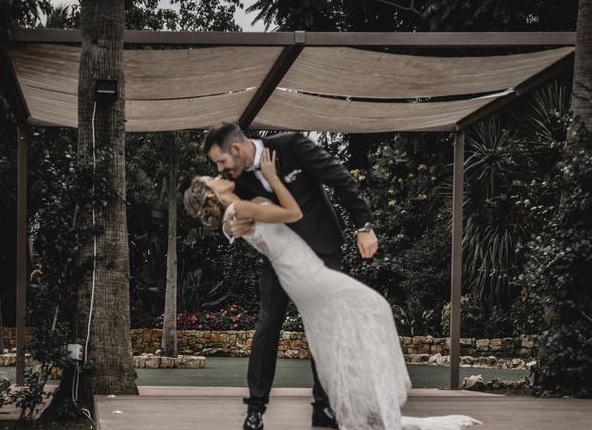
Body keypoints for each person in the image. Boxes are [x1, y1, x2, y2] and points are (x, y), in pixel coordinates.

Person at [184, 149, 481, 430]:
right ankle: (263, 407)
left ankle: (329, 404)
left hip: (303, 262)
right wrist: (273, 177)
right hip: (296, 269)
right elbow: (289, 212)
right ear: (210, 192)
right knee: (295, 321)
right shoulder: (238, 209)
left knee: (328, 327)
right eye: (212, 177)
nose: (219, 173)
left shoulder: (234, 206)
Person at [202, 123, 378, 430]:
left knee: (325, 328)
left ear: (236, 149)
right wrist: (230, 228)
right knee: (268, 323)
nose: (221, 169)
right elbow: (228, 211)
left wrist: (364, 227)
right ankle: (255, 410)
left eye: (221, 162)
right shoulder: (237, 178)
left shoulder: (291, 145)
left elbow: (340, 179)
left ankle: (324, 409)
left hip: (322, 249)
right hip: (280, 256)